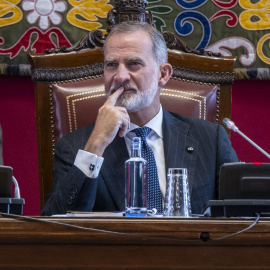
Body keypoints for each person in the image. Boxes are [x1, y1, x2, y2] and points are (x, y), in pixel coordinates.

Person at [41, 22, 238, 216]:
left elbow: (243, 216)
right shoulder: (76, 147)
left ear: (163, 74)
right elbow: (56, 221)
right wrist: (96, 145)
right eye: (111, 65)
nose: (120, 76)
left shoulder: (210, 140)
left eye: (133, 64)